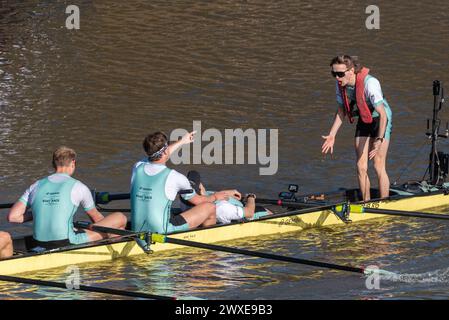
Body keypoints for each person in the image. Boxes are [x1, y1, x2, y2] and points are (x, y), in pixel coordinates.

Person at [7, 146, 127, 251]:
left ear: (54, 164)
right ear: (73, 163)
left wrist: (43, 210)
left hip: (38, 242)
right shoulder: (79, 186)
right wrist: (113, 229)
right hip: (66, 242)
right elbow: (97, 220)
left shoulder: (35, 185)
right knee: (120, 218)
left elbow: (13, 217)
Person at [131, 131, 241, 234]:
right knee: (209, 207)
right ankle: (207, 245)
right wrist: (216, 196)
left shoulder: (138, 166)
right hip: (162, 230)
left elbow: (161, 152)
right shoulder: (175, 177)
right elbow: (198, 201)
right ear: (165, 151)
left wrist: (182, 141)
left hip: (137, 227)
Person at [322, 55, 392, 201]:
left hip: (381, 119)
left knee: (378, 165)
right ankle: (366, 203)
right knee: (361, 166)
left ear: (351, 70)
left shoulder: (370, 83)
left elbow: (383, 114)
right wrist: (332, 135)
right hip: (365, 119)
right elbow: (341, 111)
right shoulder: (340, 84)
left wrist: (379, 139)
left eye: (340, 74)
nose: (337, 77)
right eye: (333, 74)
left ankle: (385, 202)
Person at [181, 170, 273, 224]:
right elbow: (250, 212)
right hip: (248, 215)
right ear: (200, 189)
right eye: (200, 183)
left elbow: (209, 196)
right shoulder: (222, 208)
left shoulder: (184, 196)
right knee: (264, 210)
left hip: (231, 206)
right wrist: (251, 196)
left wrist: (228, 193)